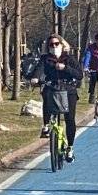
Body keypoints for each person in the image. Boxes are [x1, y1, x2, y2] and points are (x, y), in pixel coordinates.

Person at [37, 34, 83, 162]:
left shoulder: (69, 58)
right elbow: (39, 70)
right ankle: (46, 126)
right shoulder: (46, 59)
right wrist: (35, 78)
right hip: (52, 88)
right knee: (46, 94)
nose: (54, 47)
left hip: (68, 91)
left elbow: (79, 74)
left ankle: (70, 148)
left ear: (62, 45)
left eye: (56, 44)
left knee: (69, 119)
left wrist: (65, 68)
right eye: (51, 45)